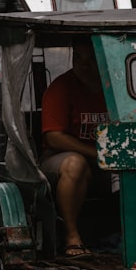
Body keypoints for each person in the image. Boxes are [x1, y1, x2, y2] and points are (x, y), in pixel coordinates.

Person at [40, 41, 109, 258]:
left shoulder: (115, 87)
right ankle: (71, 236)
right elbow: (53, 138)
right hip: (60, 159)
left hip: (109, 161)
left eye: (91, 60)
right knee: (75, 163)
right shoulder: (61, 88)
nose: (84, 65)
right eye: (78, 58)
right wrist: (95, 153)